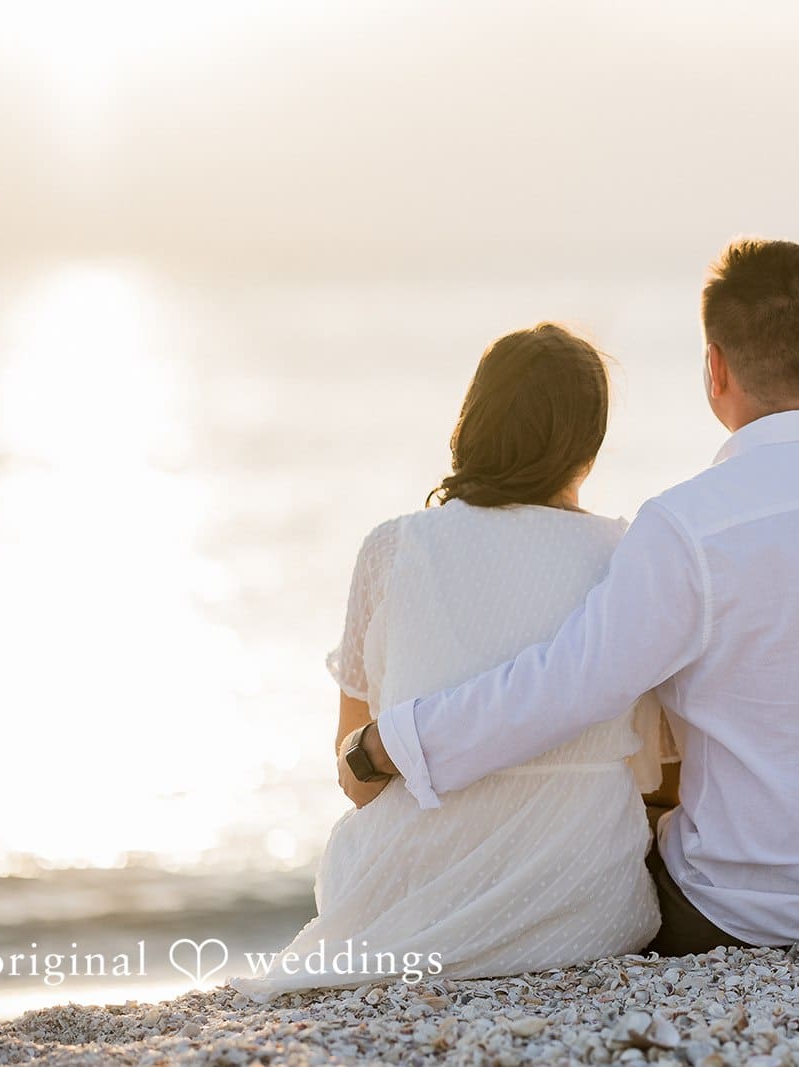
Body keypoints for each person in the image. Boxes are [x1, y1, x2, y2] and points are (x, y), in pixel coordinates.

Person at [346, 238, 799, 955]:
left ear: (714, 368)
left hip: (757, 914)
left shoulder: (690, 525)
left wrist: (393, 741)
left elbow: (563, 688)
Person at [231, 323, 677, 1000]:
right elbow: (657, 773)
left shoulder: (395, 548)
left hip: (402, 905)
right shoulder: (625, 557)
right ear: (586, 445)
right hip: (591, 907)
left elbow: (358, 779)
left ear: (474, 422)